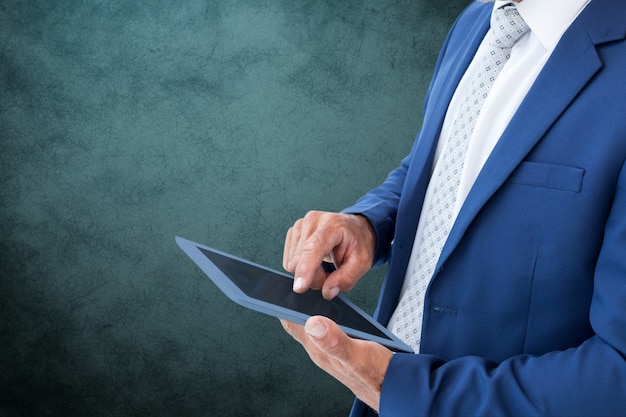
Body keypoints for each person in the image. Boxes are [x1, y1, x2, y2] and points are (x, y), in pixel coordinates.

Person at [280, 0, 626, 415]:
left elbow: (617, 374)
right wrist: (369, 225)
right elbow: (444, 166)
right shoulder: (477, 20)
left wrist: (402, 389)